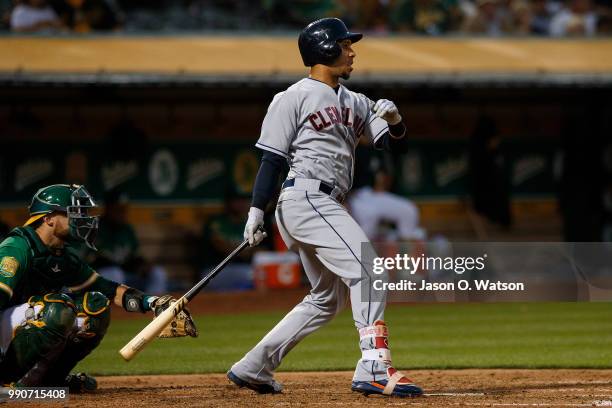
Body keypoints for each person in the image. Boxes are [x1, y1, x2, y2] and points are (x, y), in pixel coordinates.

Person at [226, 18, 423, 398]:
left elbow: (396, 149)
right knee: (368, 270)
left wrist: (397, 123)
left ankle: (254, 366)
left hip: (326, 203)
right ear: (324, 48)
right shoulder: (292, 96)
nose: (352, 51)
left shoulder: (357, 101)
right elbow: (271, 159)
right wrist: (254, 210)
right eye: (345, 44)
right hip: (304, 198)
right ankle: (375, 366)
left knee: (325, 300)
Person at [0, 184, 196, 390]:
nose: (82, 219)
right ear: (48, 218)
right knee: (57, 310)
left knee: (95, 307)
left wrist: (154, 303)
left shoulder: (62, 256)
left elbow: (107, 289)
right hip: (4, 333)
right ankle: (6, 381)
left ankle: (51, 379)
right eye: (73, 213)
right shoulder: (18, 247)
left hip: (21, 326)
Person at [89, 189, 167, 295]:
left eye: (123, 209)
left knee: (158, 273)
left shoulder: (127, 229)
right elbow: (93, 261)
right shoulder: (95, 228)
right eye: (118, 209)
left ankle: (154, 307)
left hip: (126, 276)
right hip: (101, 278)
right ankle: (114, 310)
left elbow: (134, 256)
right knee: (115, 274)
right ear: (108, 208)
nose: (121, 213)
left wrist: (142, 265)